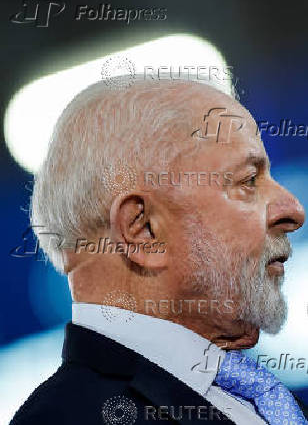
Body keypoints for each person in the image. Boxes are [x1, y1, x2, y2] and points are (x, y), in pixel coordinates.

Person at [10, 77, 307, 424]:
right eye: (247, 182)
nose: (293, 210)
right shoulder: (70, 418)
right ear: (144, 230)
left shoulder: (261, 399)